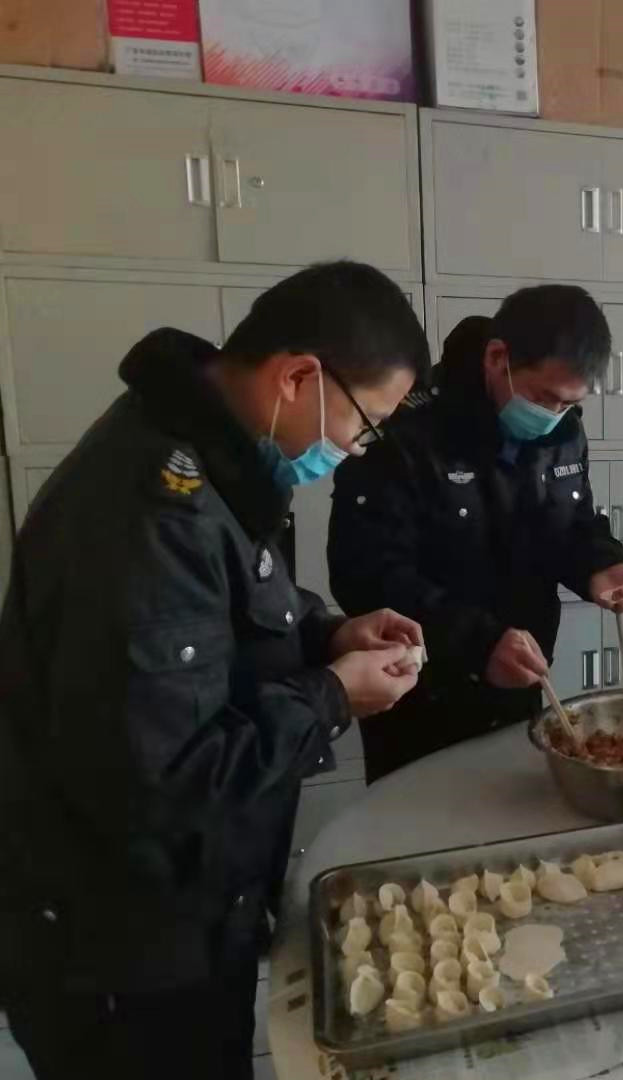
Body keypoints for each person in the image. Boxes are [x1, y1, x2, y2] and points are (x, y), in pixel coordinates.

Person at [0, 261, 430, 1080]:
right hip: (125, 947)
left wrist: (328, 634)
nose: (352, 451)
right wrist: (333, 697)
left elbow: (229, 610)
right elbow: (165, 777)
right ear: (298, 378)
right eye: (364, 425)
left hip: (191, 913)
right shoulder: (148, 514)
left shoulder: (215, 455)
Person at [328, 284, 623, 782]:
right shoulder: (406, 433)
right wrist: (477, 643)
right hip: (422, 694)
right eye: (544, 397)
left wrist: (600, 564)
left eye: (569, 403)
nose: (553, 416)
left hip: (521, 678)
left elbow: (570, 522)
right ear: (498, 358)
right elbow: (366, 574)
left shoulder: (562, 431)